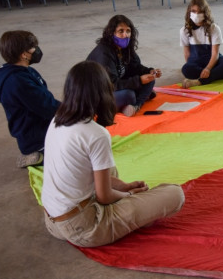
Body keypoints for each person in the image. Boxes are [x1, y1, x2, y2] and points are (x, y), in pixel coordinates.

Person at [41, 61, 185, 248]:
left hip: (53, 221)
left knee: (108, 167)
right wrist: (131, 194)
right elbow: (104, 196)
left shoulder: (57, 119)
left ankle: (131, 209)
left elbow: (90, 176)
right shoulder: (95, 133)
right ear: (103, 92)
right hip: (84, 227)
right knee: (175, 194)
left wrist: (124, 186)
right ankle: (131, 212)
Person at [0, 31, 60, 168]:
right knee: (77, 152)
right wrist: (75, 109)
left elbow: (45, 101)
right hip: (36, 136)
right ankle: (35, 155)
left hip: (35, 126)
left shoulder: (22, 71)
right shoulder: (17, 81)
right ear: (24, 54)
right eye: (33, 47)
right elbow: (48, 107)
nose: (37, 50)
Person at [87, 15, 161, 117]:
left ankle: (136, 105)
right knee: (128, 95)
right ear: (111, 32)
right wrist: (139, 81)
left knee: (150, 79)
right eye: (120, 31)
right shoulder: (104, 53)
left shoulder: (125, 48)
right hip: (97, 94)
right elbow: (111, 85)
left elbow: (135, 67)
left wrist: (150, 71)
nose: (125, 35)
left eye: (128, 31)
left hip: (115, 86)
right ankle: (139, 97)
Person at [180, 0, 223, 88]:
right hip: (196, 61)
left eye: (200, 12)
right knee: (186, 69)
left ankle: (200, 81)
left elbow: (215, 54)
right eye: (193, 11)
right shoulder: (184, 30)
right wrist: (191, 65)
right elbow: (186, 53)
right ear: (189, 12)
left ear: (205, 13)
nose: (196, 14)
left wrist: (208, 68)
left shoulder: (214, 28)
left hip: (213, 60)